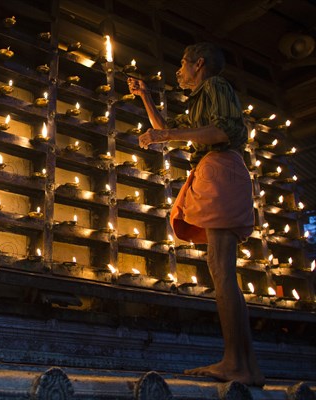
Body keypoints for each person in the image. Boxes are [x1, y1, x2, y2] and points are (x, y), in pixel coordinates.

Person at [127, 42, 265, 387]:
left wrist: (167, 133)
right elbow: (168, 132)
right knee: (222, 270)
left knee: (221, 267)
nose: (178, 71)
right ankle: (245, 364)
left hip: (220, 169)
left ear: (198, 64)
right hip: (215, 169)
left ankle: (236, 363)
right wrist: (145, 97)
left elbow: (221, 131)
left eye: (183, 64)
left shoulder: (216, 86)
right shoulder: (199, 101)